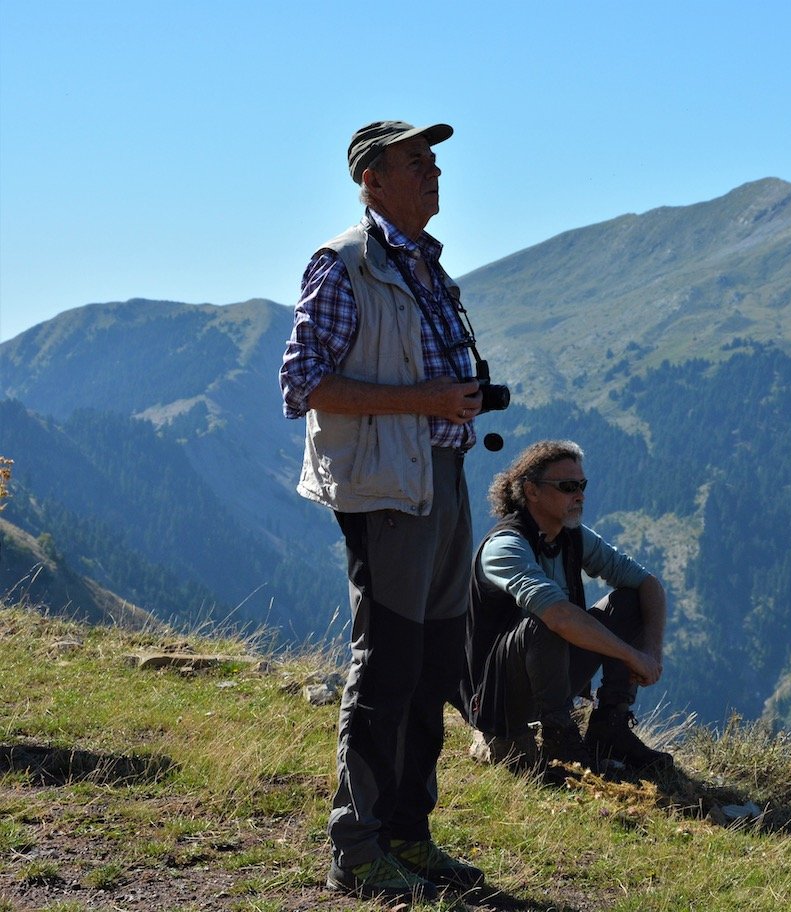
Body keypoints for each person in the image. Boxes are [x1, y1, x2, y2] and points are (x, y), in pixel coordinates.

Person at [280, 119, 487, 904]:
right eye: (416, 163)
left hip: (442, 475)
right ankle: (357, 850)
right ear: (371, 179)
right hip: (387, 487)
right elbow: (303, 383)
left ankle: (409, 832)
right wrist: (426, 400)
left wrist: (450, 406)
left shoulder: (427, 267)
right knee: (389, 664)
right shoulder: (343, 266)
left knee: (435, 662)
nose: (434, 173)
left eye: (434, 161)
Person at [463, 440, 673, 774]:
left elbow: (649, 584)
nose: (580, 495)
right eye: (567, 486)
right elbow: (559, 617)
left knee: (631, 600)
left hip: (552, 673)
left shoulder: (570, 536)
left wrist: (652, 649)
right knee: (545, 620)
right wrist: (631, 655)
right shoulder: (505, 546)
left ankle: (609, 728)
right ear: (531, 491)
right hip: (499, 693)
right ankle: (559, 739)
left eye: (582, 485)